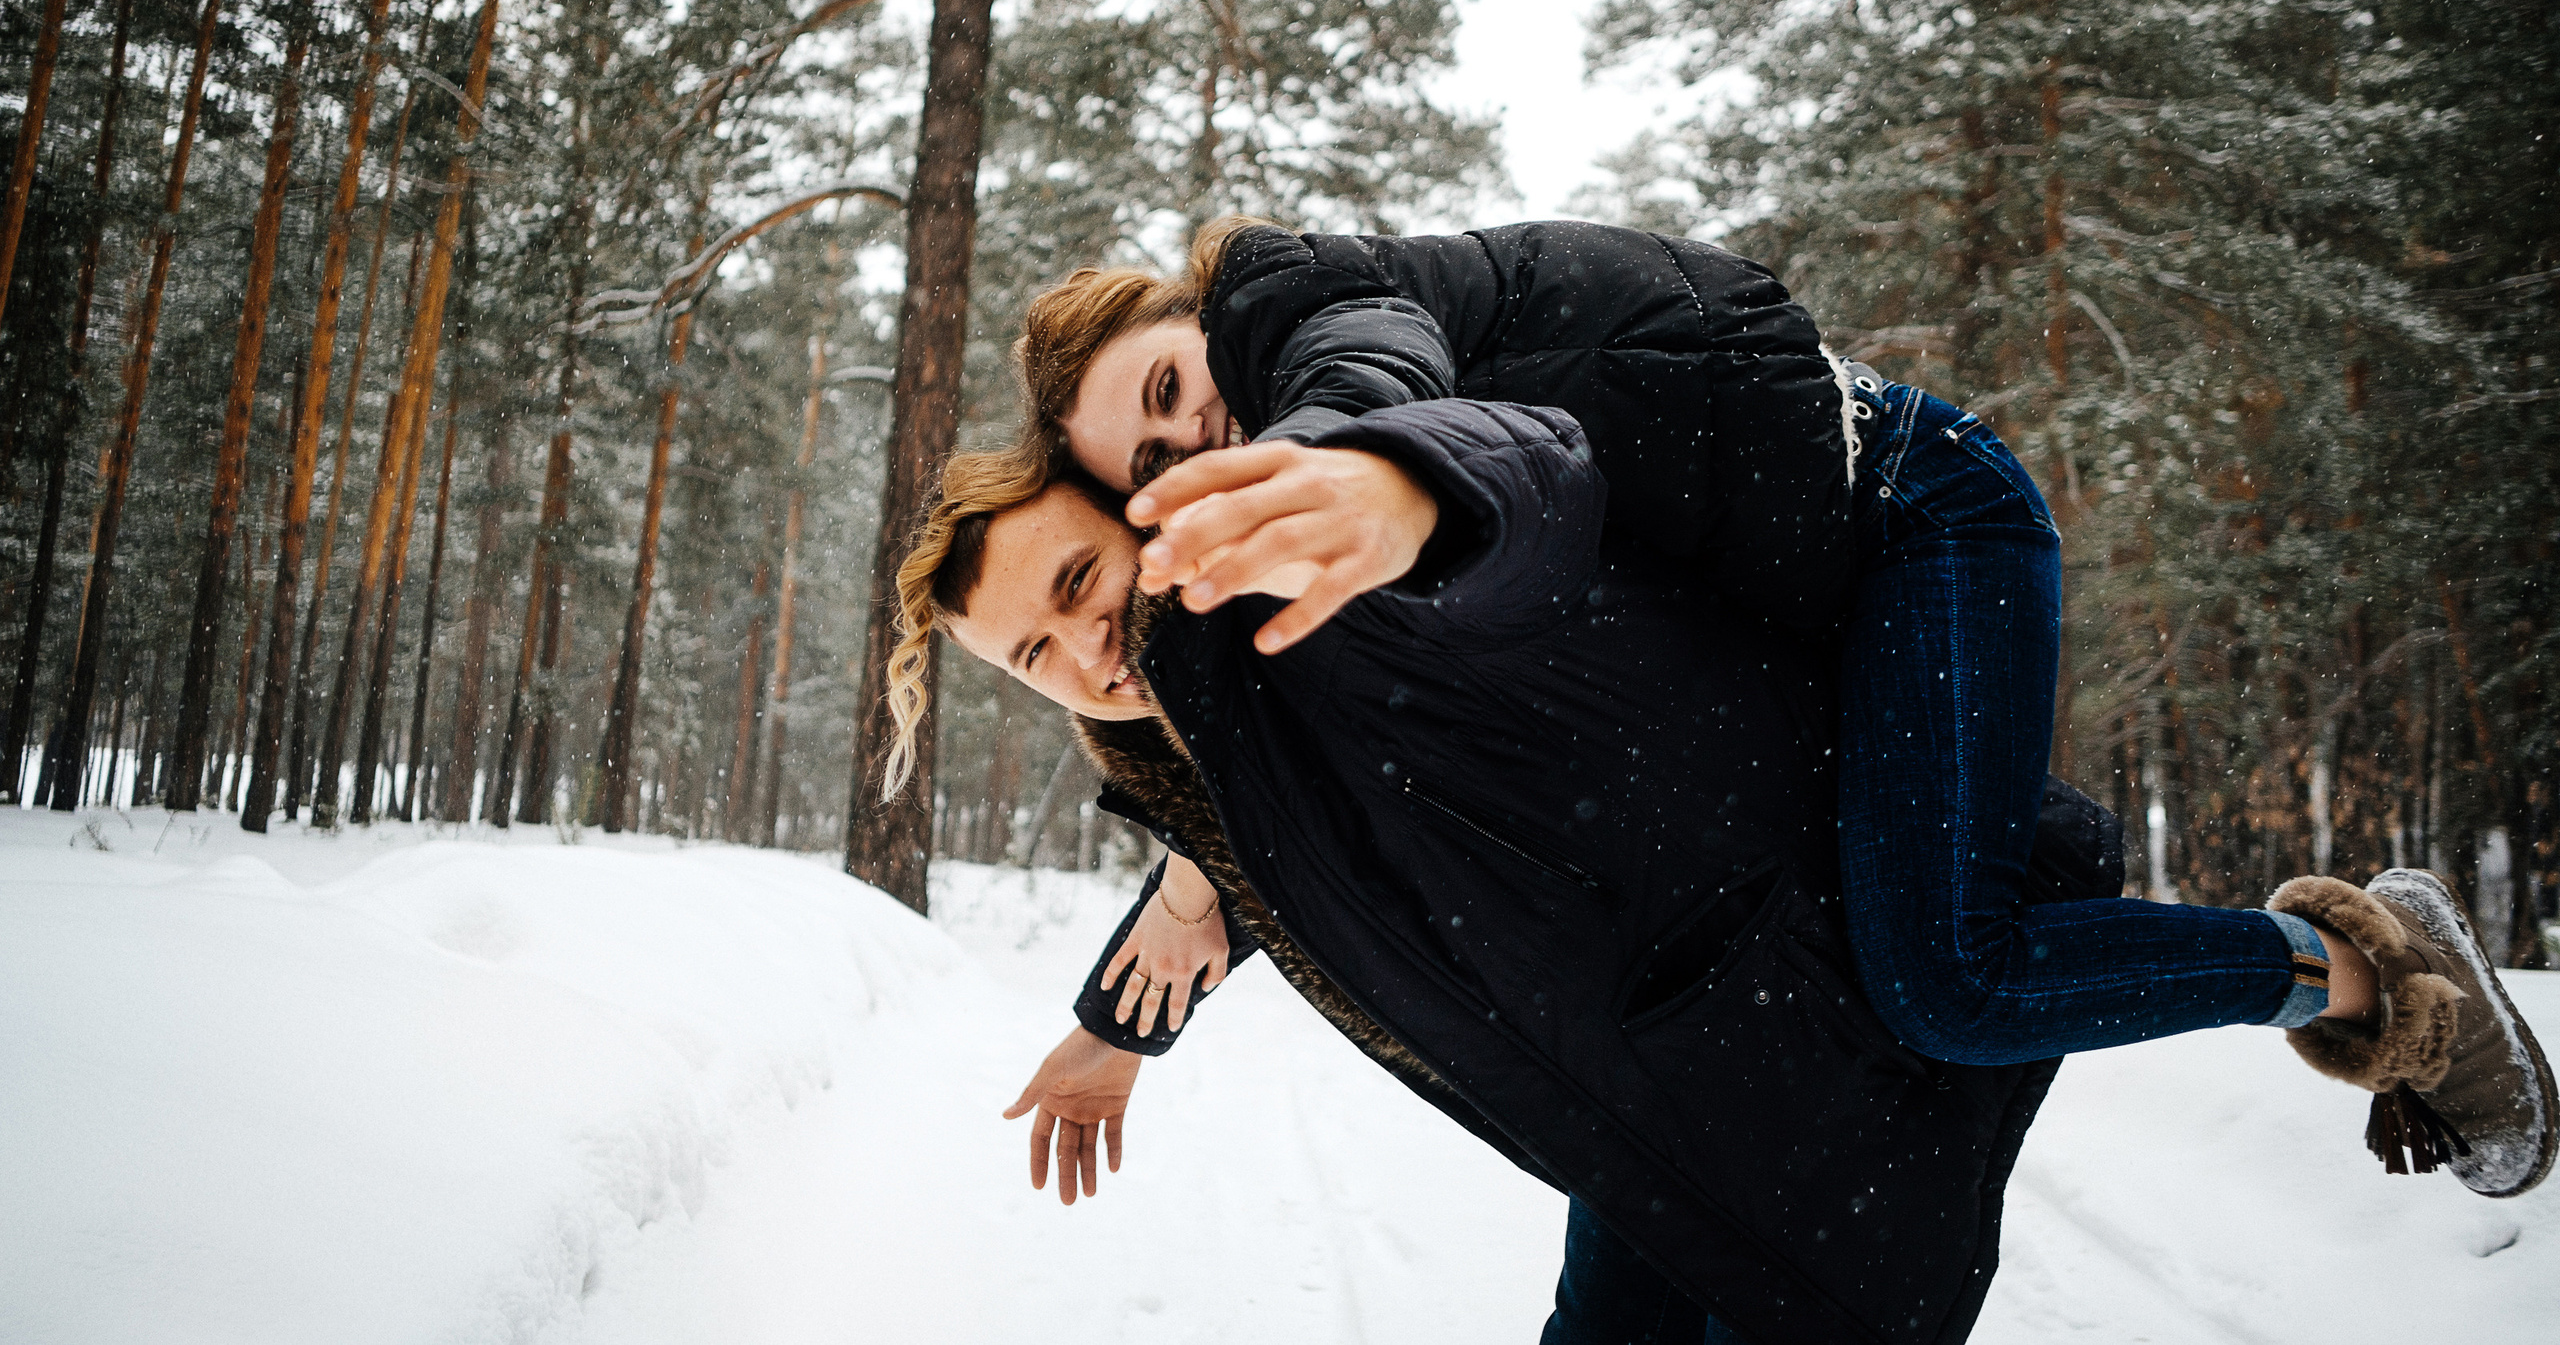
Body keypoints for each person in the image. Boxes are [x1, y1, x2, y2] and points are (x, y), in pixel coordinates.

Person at [1007, 217, 2557, 1196]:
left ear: (1201, 316)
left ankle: (2368, 972)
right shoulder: (1308, 529)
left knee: (1948, 980)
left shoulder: (1309, 301)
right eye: (1149, 462)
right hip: (1820, 632)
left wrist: (1350, 451)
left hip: (1920, 509)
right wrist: (1147, 969)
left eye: (1169, 386)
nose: (1190, 436)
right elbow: (1345, 790)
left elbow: (1363, 363)